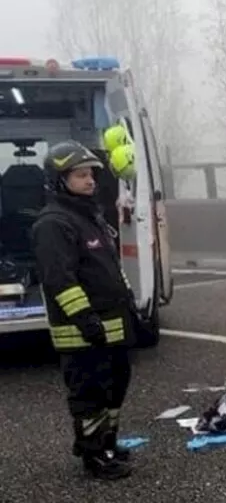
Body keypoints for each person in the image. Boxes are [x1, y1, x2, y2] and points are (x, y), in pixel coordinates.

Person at [31, 141, 138, 480]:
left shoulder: (90, 216)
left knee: (114, 386)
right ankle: (93, 456)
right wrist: (85, 319)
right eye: (80, 175)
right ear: (60, 180)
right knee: (89, 393)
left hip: (113, 323)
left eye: (91, 173)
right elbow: (59, 279)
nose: (90, 180)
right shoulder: (53, 224)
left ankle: (108, 442)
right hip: (82, 331)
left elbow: (108, 269)